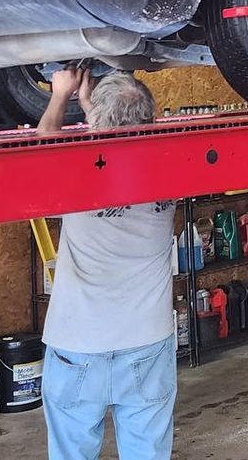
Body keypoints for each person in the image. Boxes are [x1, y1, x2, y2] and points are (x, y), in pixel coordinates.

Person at [37, 64, 177, 460]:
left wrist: (60, 95)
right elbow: (125, 138)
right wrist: (90, 105)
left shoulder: (77, 173)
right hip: (146, 342)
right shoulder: (171, 169)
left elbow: (45, 145)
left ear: (95, 120)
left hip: (77, 345)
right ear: (151, 118)